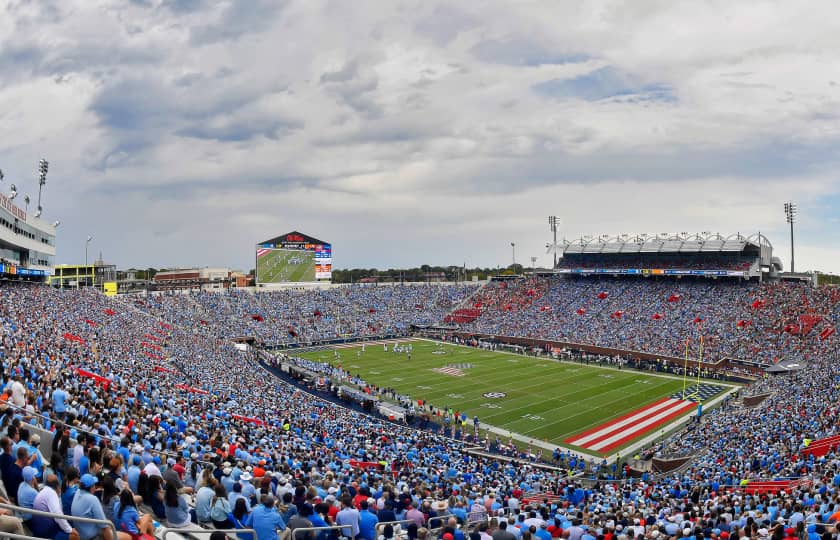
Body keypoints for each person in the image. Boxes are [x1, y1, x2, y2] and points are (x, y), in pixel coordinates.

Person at [31, 473, 78, 540]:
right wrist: (70, 530)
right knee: (75, 536)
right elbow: (58, 514)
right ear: (57, 486)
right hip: (46, 533)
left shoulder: (43, 491)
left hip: (38, 530)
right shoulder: (51, 494)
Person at [71, 474, 115, 540]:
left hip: (81, 534)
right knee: (126, 536)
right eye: (94, 485)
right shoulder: (93, 499)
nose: (95, 487)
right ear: (91, 487)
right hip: (94, 537)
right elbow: (104, 528)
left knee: (108, 523)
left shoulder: (77, 492)